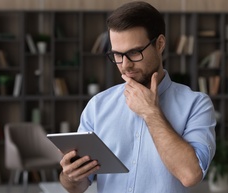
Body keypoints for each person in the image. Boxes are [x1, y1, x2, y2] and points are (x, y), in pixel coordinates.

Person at [59, 1, 216, 193]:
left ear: (159, 44)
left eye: (134, 53)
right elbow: (78, 186)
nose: (125, 65)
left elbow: (190, 176)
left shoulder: (196, 104)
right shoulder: (97, 106)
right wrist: (70, 176)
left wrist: (151, 112)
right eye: (117, 54)